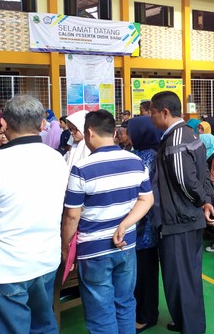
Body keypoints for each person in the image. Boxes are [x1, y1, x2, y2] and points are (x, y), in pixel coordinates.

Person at [0, 95, 69, 333]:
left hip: (3, 268)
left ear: (3, 124)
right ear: (42, 124)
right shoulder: (57, 159)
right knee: (43, 325)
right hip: (45, 262)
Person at [62, 110, 153, 334]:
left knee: (100, 311)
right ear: (114, 132)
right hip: (126, 245)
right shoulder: (136, 161)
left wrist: (65, 247)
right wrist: (124, 225)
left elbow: (72, 216)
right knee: (124, 302)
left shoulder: (82, 168)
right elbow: (147, 199)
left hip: (93, 250)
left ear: (89, 133)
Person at [150, 91, 212, 333]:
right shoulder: (189, 134)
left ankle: (192, 328)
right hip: (187, 217)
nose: (151, 118)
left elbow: (185, 181)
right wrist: (205, 199)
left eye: (153, 113)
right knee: (187, 276)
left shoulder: (176, 139)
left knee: (181, 279)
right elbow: (203, 172)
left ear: (165, 113)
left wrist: (200, 200)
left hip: (180, 220)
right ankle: (187, 321)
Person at [126, 115, 163, 332]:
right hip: (137, 223)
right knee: (138, 272)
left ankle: (147, 315)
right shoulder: (136, 154)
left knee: (145, 273)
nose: (127, 134)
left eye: (130, 130)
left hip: (146, 225)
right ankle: (141, 311)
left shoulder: (150, 157)